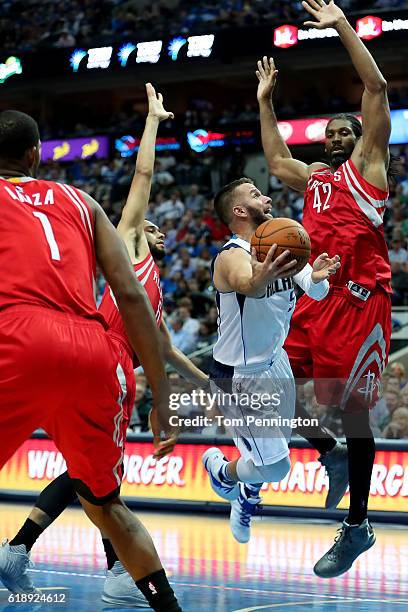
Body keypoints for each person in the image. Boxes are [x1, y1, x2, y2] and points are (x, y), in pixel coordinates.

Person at [0, 86, 207, 607]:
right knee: (106, 503)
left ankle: (20, 552)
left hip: (18, 338)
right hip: (95, 351)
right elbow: (132, 300)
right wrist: (162, 397)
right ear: (35, 155)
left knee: (87, 488)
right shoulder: (83, 202)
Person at [256, 0, 394, 578]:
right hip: (314, 298)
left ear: (360, 138)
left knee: (357, 414)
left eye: (345, 130)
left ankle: (358, 523)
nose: (336, 135)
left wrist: (339, 25)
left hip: (360, 302)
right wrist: (265, 103)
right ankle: (328, 456)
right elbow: (273, 157)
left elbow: (377, 86)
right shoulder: (313, 179)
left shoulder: (370, 164)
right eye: (331, 131)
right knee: (264, 389)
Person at [202, 177, 340, 544]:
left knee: (267, 455)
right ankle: (222, 472)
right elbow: (248, 284)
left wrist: (321, 276)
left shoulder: (281, 241)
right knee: (276, 466)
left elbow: (317, 289)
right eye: (255, 194)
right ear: (239, 210)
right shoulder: (231, 255)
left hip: (275, 360)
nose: (266, 197)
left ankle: (247, 492)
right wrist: (265, 274)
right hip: (240, 376)